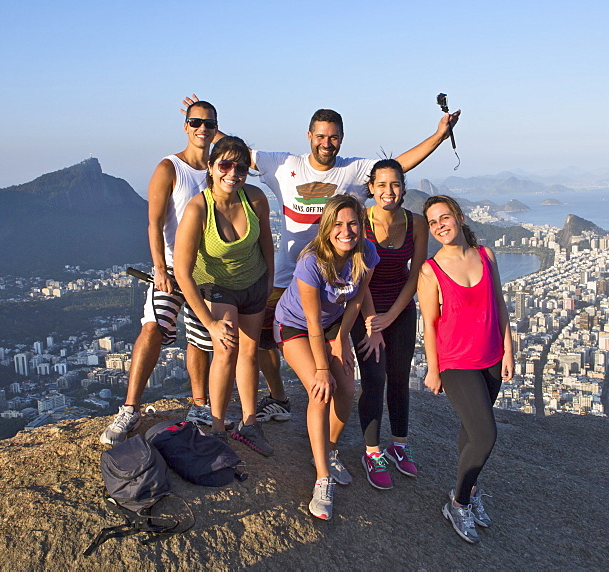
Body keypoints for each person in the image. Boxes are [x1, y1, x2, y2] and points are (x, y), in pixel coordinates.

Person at [183, 95, 460, 423]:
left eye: (333, 137)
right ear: (309, 136)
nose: (326, 143)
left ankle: (305, 414)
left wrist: (440, 136)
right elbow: (237, 155)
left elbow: (396, 168)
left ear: (341, 139)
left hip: (331, 283)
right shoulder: (285, 165)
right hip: (285, 276)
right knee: (262, 342)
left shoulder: (354, 170)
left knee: (315, 352)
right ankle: (278, 399)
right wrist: (207, 128)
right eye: (320, 136)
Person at [100, 100, 225, 446]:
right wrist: (159, 269)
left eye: (209, 124)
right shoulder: (170, 168)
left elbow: (241, 155)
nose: (202, 129)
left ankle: (199, 405)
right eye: (196, 122)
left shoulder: (221, 169)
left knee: (201, 339)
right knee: (153, 326)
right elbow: (154, 224)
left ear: (217, 128)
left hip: (207, 271)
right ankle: (130, 407)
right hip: (170, 266)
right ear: (185, 126)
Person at [273, 195, 380, 520]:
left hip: (332, 325)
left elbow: (356, 302)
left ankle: (329, 450)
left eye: (352, 224)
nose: (346, 231)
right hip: (294, 326)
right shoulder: (313, 262)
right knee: (321, 391)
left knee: (347, 388)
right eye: (338, 224)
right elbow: (309, 319)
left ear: (361, 226)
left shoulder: (367, 254)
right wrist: (322, 367)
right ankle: (322, 476)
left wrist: (342, 341)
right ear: (326, 227)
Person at [417, 195, 514, 544]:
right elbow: (429, 323)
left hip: (490, 358)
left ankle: (469, 489)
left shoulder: (486, 255)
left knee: (472, 431)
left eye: (445, 217)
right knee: (486, 434)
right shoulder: (431, 270)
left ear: (459, 217)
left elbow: (500, 304)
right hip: (456, 362)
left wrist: (508, 351)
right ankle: (458, 503)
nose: (441, 225)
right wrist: (432, 369)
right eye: (433, 222)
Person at [173, 136, 276, 456]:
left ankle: (249, 423)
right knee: (226, 347)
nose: (233, 172)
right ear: (211, 168)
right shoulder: (198, 209)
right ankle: (217, 428)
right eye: (225, 165)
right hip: (216, 285)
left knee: (249, 351)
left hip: (254, 283)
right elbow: (181, 271)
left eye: (241, 166)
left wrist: (269, 283)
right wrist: (209, 323)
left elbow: (266, 245)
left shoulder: (256, 198)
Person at [349, 159, 428, 489]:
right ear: (371, 188)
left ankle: (398, 443)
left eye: (395, 184)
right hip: (363, 308)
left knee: (399, 377)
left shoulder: (417, 223)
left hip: (400, 308)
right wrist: (372, 322)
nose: (388, 191)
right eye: (381, 185)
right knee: (373, 377)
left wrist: (392, 316)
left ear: (403, 188)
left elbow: (415, 274)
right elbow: (358, 275)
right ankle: (372, 451)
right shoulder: (360, 220)